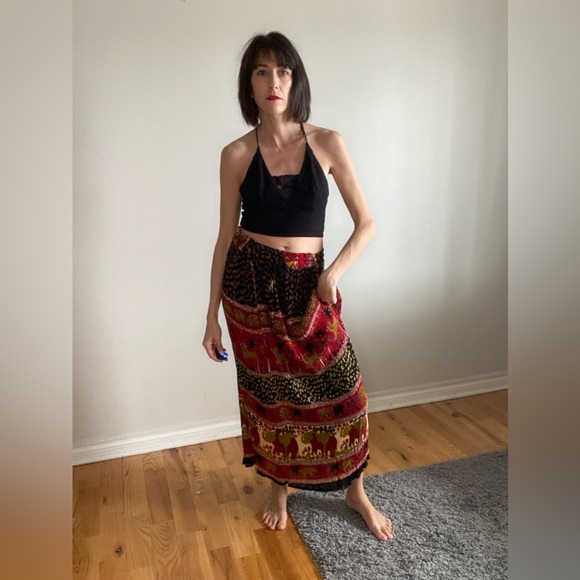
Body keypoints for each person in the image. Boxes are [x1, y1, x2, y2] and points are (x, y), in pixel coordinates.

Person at [202, 31, 393, 542]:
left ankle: (354, 490)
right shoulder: (236, 154)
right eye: (261, 71)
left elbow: (367, 223)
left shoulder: (328, 142)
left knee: (347, 395)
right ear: (249, 84)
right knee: (270, 402)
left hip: (311, 288)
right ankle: (278, 489)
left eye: (283, 71)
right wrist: (210, 316)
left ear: (296, 80)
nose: (273, 81)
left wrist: (332, 274)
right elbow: (223, 238)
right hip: (250, 290)